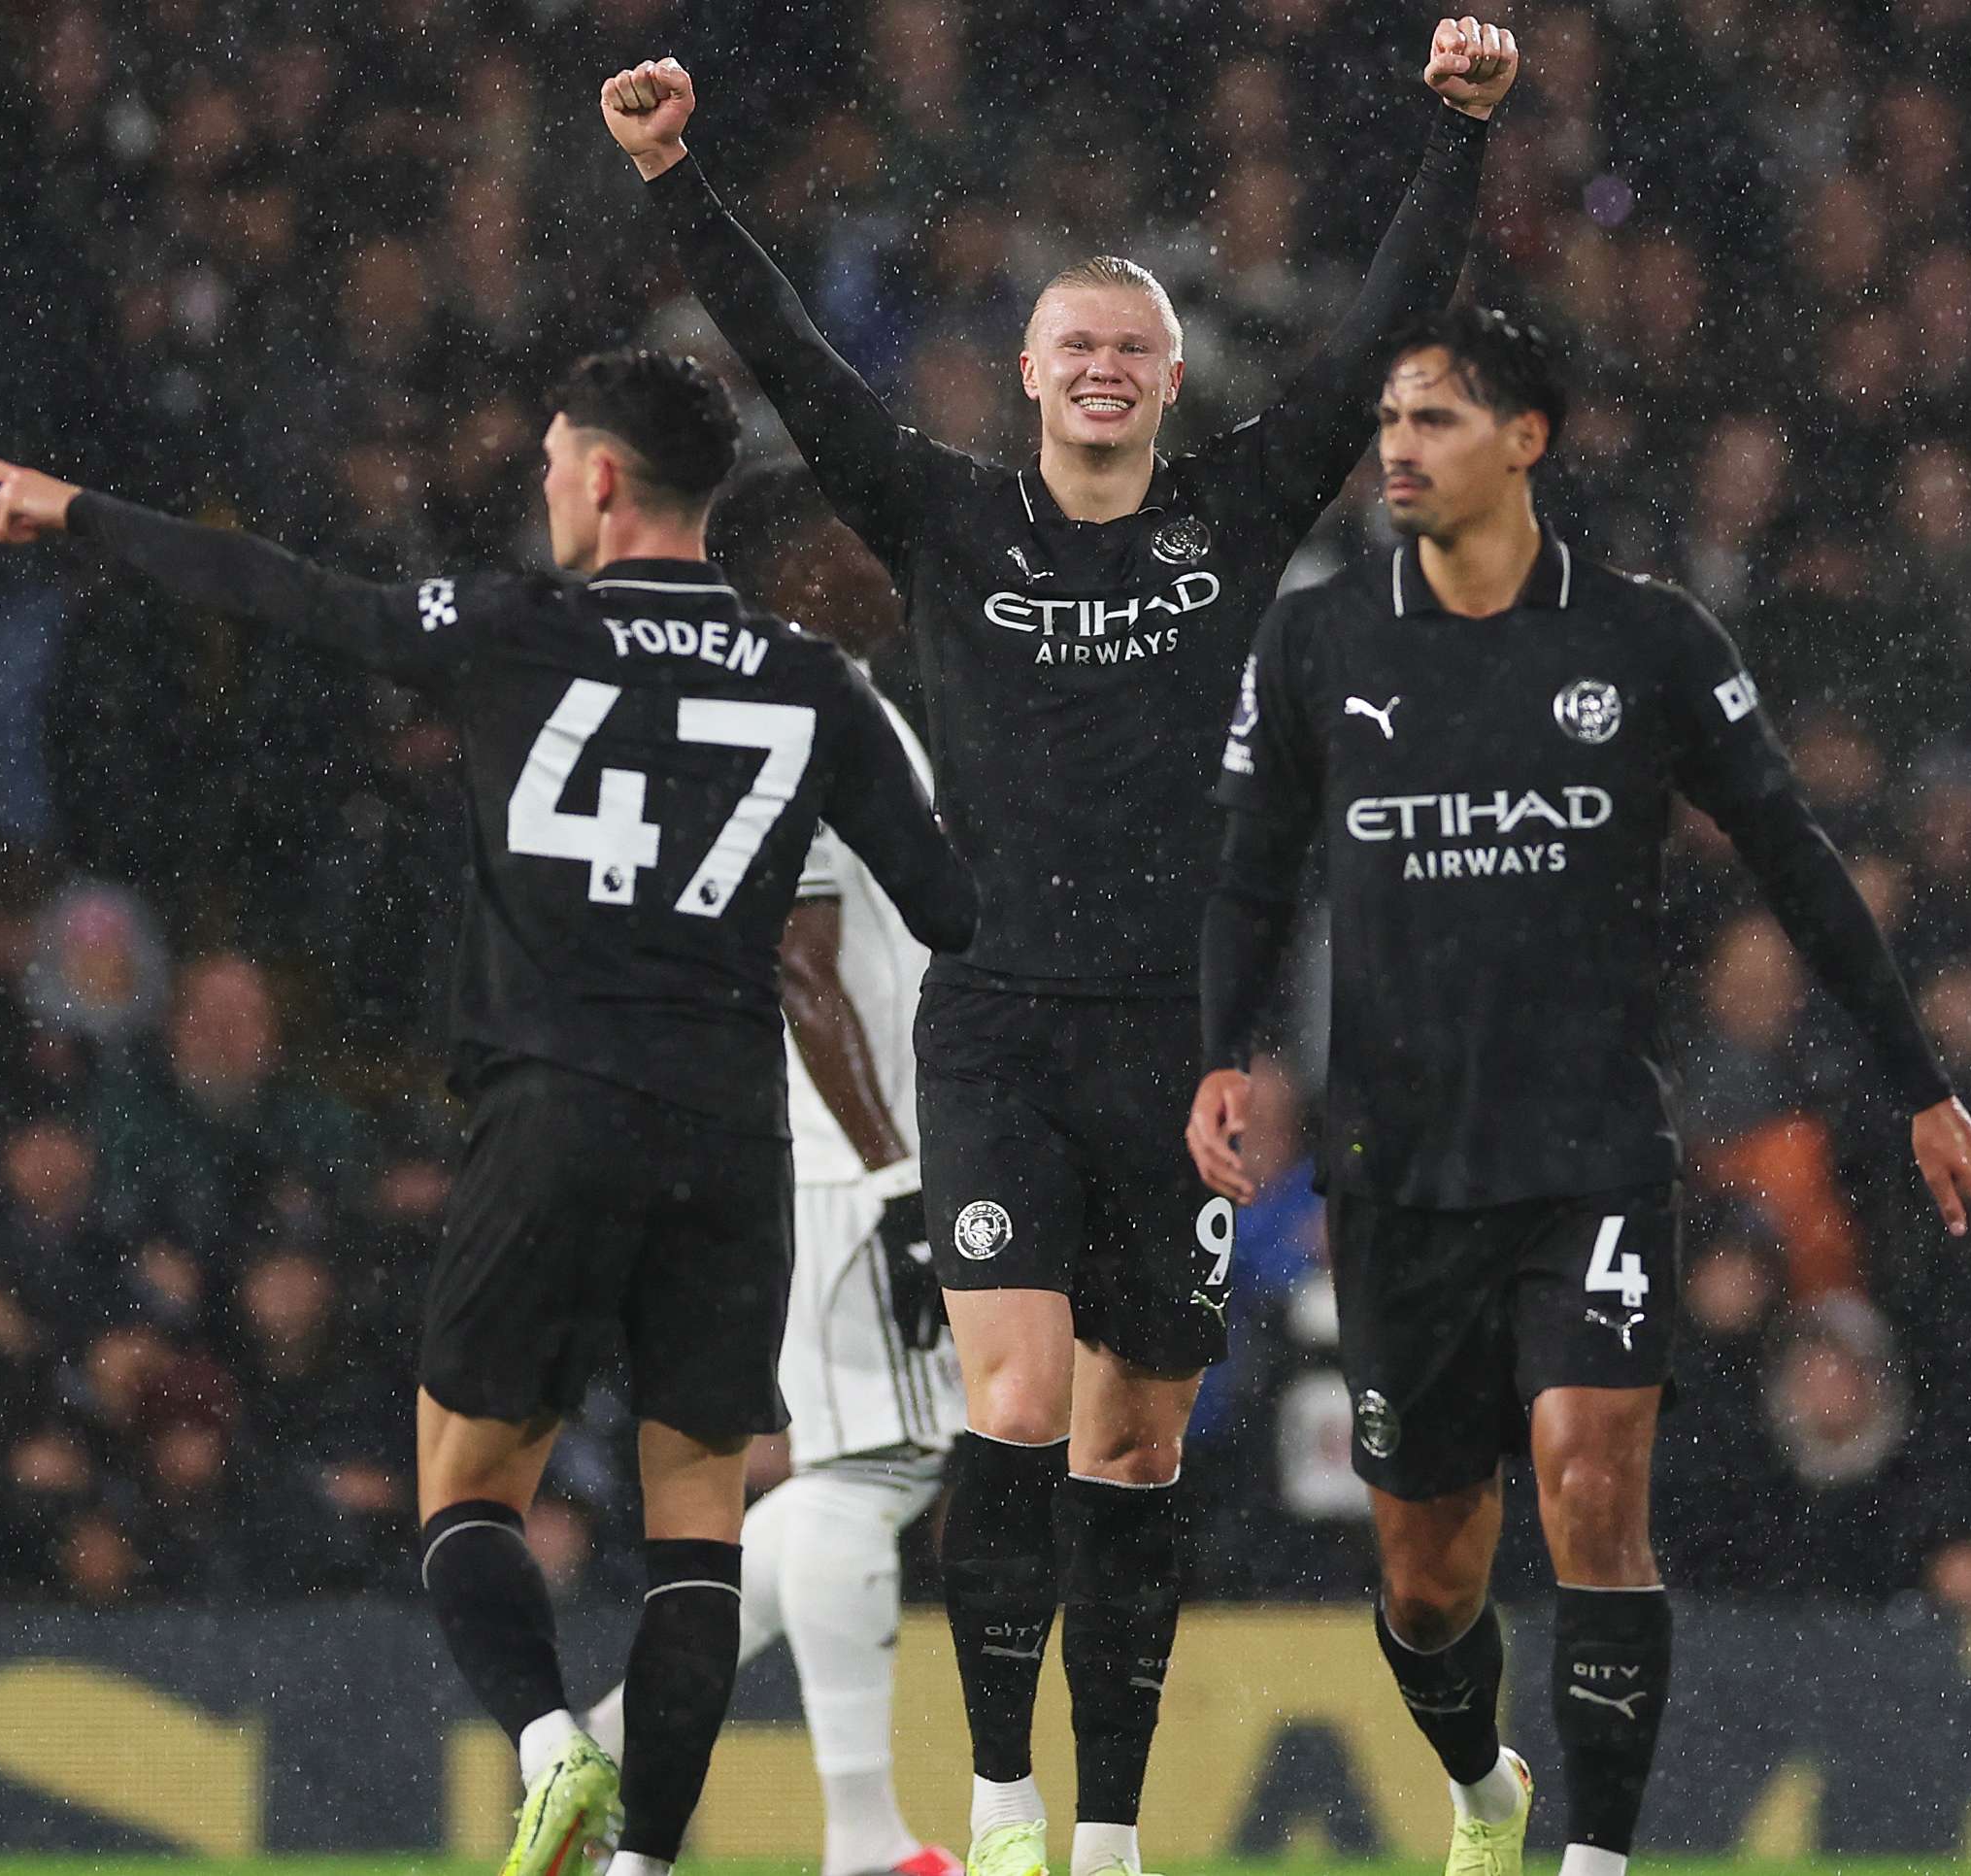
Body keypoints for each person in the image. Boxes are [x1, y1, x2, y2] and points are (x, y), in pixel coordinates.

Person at [599, 25, 1518, 1876]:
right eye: (1072, 345)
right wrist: (673, 180)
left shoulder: (1228, 515)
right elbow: (780, 350)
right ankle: (1003, 1804)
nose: (1100, 369)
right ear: (1026, 375)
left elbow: (1371, 345)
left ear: (1168, 382)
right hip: (995, 1025)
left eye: (1130, 348)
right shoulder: (943, 516)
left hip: (1170, 1046)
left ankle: (1105, 1832)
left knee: (1132, 1451)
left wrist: (1456, 133)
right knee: (1009, 1408)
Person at [0, 347, 979, 1876]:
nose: (547, 482)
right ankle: (643, 1864)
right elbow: (954, 913)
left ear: (608, 478)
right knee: (698, 1532)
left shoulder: (518, 630)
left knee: (465, 1486)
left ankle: (554, 1745)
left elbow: (292, 595)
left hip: (555, 1107)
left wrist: (86, 513)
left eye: (559, 458)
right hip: (732, 1134)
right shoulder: (818, 687)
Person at [1187, 308, 1971, 1876]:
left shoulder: (1642, 641)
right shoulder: (1314, 641)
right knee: (1426, 1579)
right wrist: (1223, 1052)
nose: (1397, 448)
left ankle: (1596, 1860)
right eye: (1388, 421)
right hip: (1395, 1165)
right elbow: (1246, 873)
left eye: (1433, 419)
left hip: (1587, 1153)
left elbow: (1794, 857)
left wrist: (1917, 1083)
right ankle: (1483, 1791)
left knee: (1586, 1482)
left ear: (1524, 441)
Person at [585, 684, 967, 1876]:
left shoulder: (784, 707)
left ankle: (603, 1751)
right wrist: (897, 1178)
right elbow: (802, 970)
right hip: (852, 1162)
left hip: (828, 1151)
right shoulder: (790, 711)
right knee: (875, 1468)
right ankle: (862, 1840)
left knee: (853, 1477)